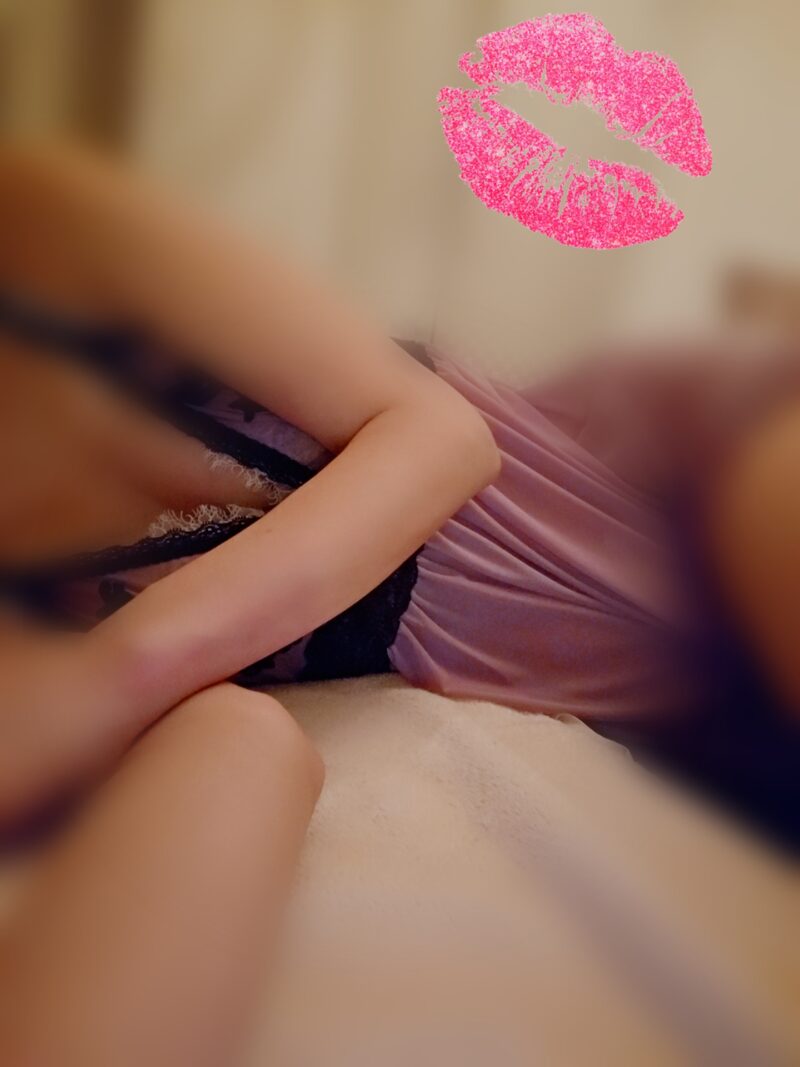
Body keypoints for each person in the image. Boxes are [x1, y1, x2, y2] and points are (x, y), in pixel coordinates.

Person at [0, 142, 797, 1059]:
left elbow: (445, 440)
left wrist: (110, 675)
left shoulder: (33, 217)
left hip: (657, 488)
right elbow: (224, 742)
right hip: (696, 714)